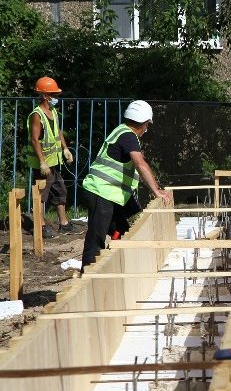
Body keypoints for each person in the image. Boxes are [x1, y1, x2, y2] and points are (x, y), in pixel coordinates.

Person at [80, 100, 172, 269]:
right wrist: (156, 191)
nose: (147, 128)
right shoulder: (128, 136)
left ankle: (111, 262)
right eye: (147, 124)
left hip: (107, 194)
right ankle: (88, 274)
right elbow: (140, 164)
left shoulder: (122, 131)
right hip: (100, 192)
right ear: (144, 123)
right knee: (96, 238)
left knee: (121, 230)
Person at [26, 76, 75, 238]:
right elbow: (35, 140)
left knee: (60, 190)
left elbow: (57, 131)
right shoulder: (37, 115)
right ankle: (40, 226)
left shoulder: (52, 111)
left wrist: (65, 149)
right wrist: (42, 162)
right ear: (45, 95)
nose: (56, 97)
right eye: (54, 94)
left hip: (53, 162)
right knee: (41, 195)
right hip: (43, 165)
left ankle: (64, 224)